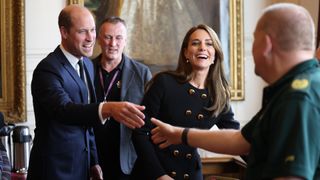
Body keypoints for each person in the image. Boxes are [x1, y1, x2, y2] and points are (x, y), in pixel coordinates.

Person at [151, 3, 320, 179]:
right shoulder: (292, 90)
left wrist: (180, 134)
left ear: (266, 44)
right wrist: (180, 134)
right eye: (196, 43)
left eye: (254, 39)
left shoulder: (298, 98)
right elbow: (241, 142)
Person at [28, 5, 145, 180]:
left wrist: (93, 161)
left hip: (82, 168)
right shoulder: (48, 69)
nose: (91, 38)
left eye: (92, 30)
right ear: (64, 32)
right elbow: (64, 110)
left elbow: (87, 123)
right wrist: (108, 108)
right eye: (83, 31)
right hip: (54, 170)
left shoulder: (87, 65)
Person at [131, 24, 240, 180]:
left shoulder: (219, 95)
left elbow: (236, 137)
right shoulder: (164, 83)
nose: (202, 47)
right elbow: (139, 132)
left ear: (215, 55)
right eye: (195, 43)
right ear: (186, 53)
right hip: (153, 173)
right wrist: (160, 176)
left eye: (209, 44)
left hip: (190, 173)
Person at [92, 16, 152, 179]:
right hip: (92, 158)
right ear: (99, 39)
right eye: (108, 37)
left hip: (127, 161)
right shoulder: (86, 69)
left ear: (125, 40)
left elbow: (149, 119)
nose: (113, 44)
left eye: (118, 38)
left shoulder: (142, 73)